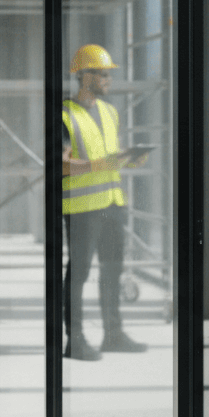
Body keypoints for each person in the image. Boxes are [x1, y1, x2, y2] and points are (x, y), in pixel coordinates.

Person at [61, 43, 147, 361]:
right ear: (84, 76)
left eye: (109, 74)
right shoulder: (65, 114)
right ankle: (76, 340)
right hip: (82, 208)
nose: (108, 79)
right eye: (103, 74)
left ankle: (113, 334)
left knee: (112, 270)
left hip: (112, 203)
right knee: (80, 273)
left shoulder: (110, 113)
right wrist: (102, 164)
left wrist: (129, 160)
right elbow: (61, 164)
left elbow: (111, 157)